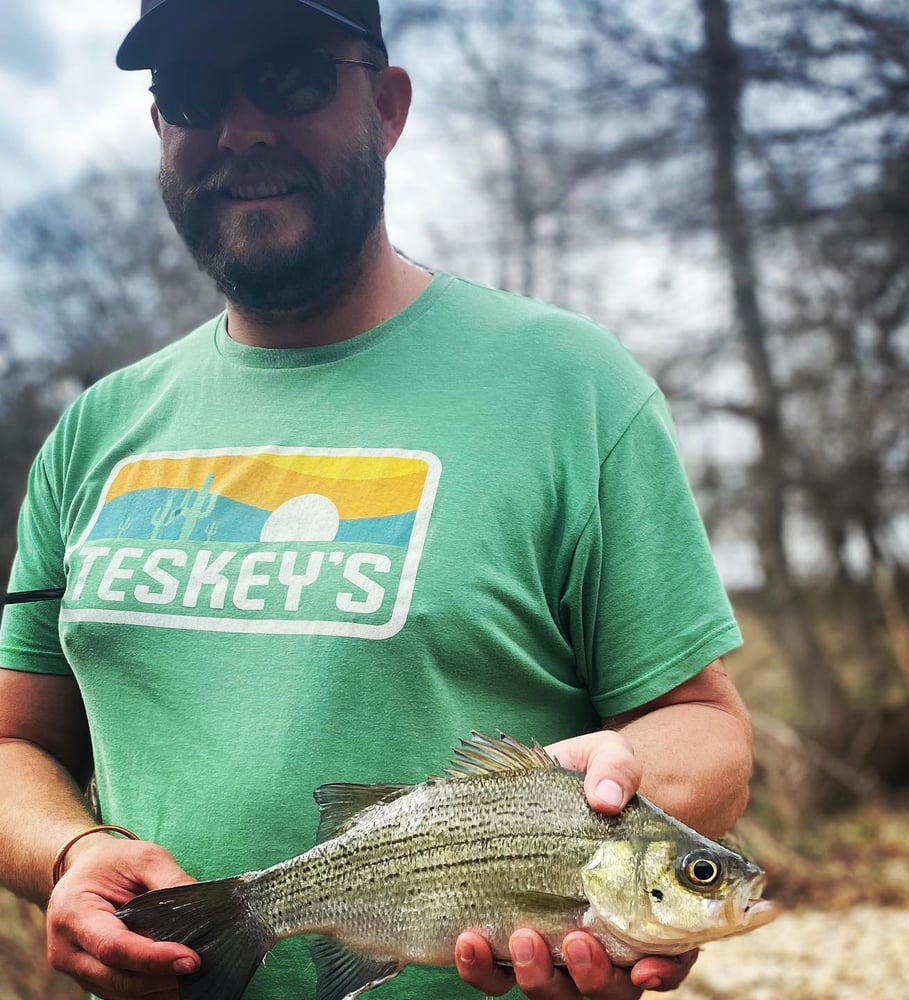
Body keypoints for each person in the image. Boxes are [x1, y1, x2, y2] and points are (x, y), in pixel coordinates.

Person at [0, 1, 754, 998]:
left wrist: (603, 816)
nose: (241, 128)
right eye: (190, 92)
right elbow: (15, 742)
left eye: (290, 76)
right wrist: (67, 850)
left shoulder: (569, 385)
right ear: (160, 129)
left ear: (387, 106)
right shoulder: (96, 431)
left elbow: (706, 725)